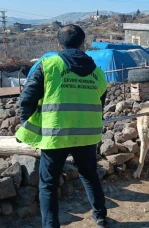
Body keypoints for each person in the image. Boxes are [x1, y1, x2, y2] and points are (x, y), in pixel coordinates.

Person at [16, 24, 108, 228]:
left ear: (58, 44)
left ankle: (50, 225)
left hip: (55, 134)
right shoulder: (98, 73)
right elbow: (99, 102)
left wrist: (26, 124)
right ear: (82, 44)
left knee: (48, 184)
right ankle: (100, 217)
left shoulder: (48, 65)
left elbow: (27, 99)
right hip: (87, 135)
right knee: (90, 176)